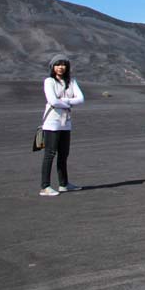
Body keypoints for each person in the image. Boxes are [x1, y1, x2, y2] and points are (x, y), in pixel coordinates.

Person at [39, 54, 85, 197]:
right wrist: (69, 101)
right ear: (52, 67)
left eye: (63, 64)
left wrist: (63, 100)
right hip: (52, 123)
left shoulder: (71, 81)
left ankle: (63, 184)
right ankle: (45, 186)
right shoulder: (49, 81)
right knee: (50, 154)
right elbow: (52, 101)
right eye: (58, 64)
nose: (61, 67)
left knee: (63, 154)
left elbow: (81, 99)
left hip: (65, 122)